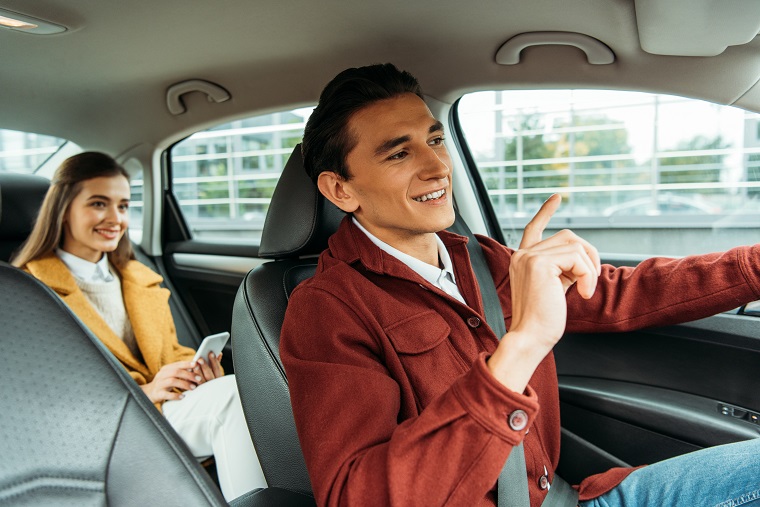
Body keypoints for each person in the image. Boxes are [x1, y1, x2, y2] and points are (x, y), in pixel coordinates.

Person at [279, 63, 760, 507]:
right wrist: (523, 344)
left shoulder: (480, 258)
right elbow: (357, 498)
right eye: (400, 153)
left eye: (435, 140)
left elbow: (620, 292)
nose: (438, 167)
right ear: (340, 189)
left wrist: (754, 268)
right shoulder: (327, 308)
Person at [11, 152, 266, 501]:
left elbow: (171, 352)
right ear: (63, 209)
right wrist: (145, 394)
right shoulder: (26, 292)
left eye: (124, 206)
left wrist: (193, 373)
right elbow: (42, 398)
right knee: (230, 400)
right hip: (102, 428)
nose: (115, 218)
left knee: (234, 390)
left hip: (160, 411)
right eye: (99, 204)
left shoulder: (139, 279)